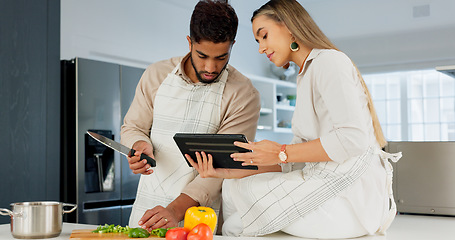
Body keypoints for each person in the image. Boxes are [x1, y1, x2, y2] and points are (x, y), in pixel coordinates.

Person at [186, 0, 402, 238]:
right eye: (258, 41)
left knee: (240, 216)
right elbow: (297, 159)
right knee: (234, 187)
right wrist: (226, 171)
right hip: (324, 183)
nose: (260, 48)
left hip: (348, 198)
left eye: (264, 35)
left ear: (289, 26)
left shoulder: (329, 62)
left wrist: (281, 151)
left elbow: (352, 138)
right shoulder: (306, 73)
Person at [120, 0, 260, 231]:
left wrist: (174, 211)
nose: (210, 67)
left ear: (232, 45)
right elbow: (132, 126)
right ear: (189, 42)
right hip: (146, 210)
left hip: (199, 219)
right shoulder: (157, 75)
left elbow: (222, 168)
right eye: (202, 55)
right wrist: (139, 144)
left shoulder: (243, 94)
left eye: (221, 57)